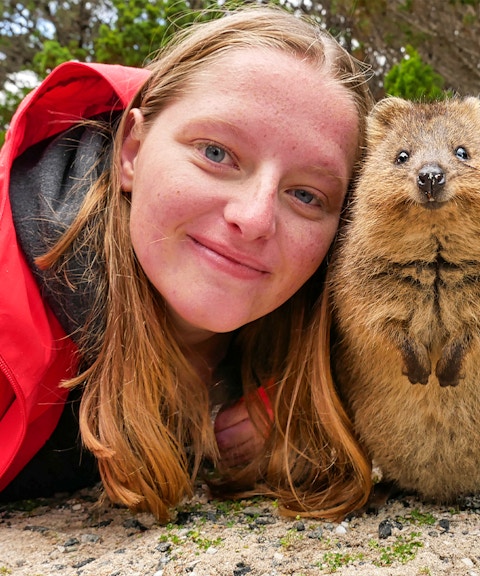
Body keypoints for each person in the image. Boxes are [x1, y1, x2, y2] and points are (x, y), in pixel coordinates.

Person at [0, 5, 373, 521]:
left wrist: (298, 401)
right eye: (216, 153)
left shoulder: (346, 320)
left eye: (307, 195)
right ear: (132, 149)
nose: (255, 217)